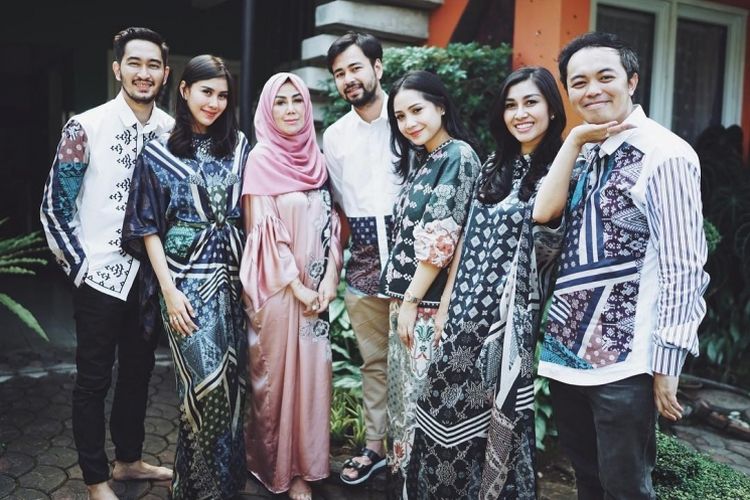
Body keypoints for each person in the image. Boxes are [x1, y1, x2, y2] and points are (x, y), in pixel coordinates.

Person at [533, 32, 710, 499]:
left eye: (605, 77)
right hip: (566, 356)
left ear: (631, 81)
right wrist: (575, 140)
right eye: (579, 82)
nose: (592, 90)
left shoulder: (665, 153)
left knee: (625, 489)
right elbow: (543, 214)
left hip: (624, 365)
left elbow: (684, 266)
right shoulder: (587, 149)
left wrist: (667, 362)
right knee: (588, 482)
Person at [407, 66, 567, 499]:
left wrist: (575, 141)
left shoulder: (562, 169)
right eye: (511, 105)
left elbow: (544, 218)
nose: (520, 114)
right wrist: (446, 306)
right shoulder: (495, 165)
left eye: (531, 102)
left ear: (553, 109)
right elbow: (464, 240)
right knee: (440, 410)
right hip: (461, 315)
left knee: (495, 423)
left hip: (506, 327)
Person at [40, 27, 173, 500]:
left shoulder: (172, 132)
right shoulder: (85, 126)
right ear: (118, 69)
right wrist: (82, 269)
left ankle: (129, 461)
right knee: (93, 381)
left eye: (153, 65)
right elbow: (56, 208)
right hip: (99, 277)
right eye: (134, 63)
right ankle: (96, 480)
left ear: (165, 73)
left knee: (139, 374)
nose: (144, 73)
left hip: (150, 281)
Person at [121, 54, 250, 499]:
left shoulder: (239, 147)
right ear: (184, 91)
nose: (214, 102)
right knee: (203, 391)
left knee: (231, 393)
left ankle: (218, 488)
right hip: (186, 286)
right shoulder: (158, 152)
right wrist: (169, 292)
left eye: (222, 95)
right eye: (205, 92)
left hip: (234, 285)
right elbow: (146, 226)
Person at [241, 72, 343, 500]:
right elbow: (263, 233)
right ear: (267, 109)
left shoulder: (317, 159)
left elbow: (331, 224)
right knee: (278, 381)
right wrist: (298, 288)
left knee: (313, 380)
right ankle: (278, 468)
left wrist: (330, 279)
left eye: (296, 100)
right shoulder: (261, 158)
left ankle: (306, 467)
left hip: (316, 292)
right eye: (279, 102)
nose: (289, 109)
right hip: (279, 292)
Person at [381, 70, 481, 497]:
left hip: (426, 307)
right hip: (410, 303)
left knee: (422, 408)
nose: (409, 123)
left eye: (417, 110)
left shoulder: (458, 156)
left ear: (441, 106)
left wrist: (411, 300)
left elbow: (443, 237)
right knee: (405, 407)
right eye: (400, 116)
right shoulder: (427, 159)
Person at [323, 31, 401, 484]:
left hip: (417, 263)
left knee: (422, 361)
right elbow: (337, 207)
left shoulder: (409, 117)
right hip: (365, 262)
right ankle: (375, 447)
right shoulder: (335, 137)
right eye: (339, 73)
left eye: (355, 67)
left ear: (378, 67)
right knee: (374, 363)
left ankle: (418, 452)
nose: (348, 79)